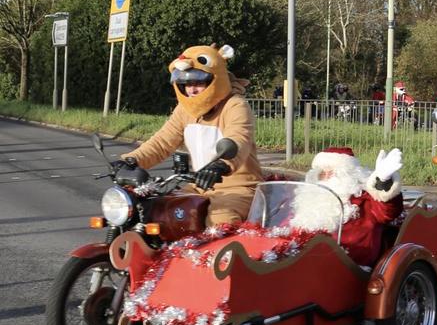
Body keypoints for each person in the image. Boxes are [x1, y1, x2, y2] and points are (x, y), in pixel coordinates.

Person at [117, 44, 263, 226]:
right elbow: (162, 142)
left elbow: (239, 137)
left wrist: (221, 165)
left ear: (214, 80)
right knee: (162, 212)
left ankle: (227, 255)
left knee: (221, 220)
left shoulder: (235, 105)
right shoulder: (185, 110)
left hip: (238, 187)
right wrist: (130, 160)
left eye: (198, 83)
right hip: (198, 185)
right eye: (186, 84)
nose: (192, 90)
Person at [289, 147, 404, 267]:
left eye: (333, 172)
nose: (327, 176)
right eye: (322, 173)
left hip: (350, 265)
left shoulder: (364, 199)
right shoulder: (306, 199)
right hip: (306, 261)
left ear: (350, 174)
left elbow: (388, 211)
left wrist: (382, 182)